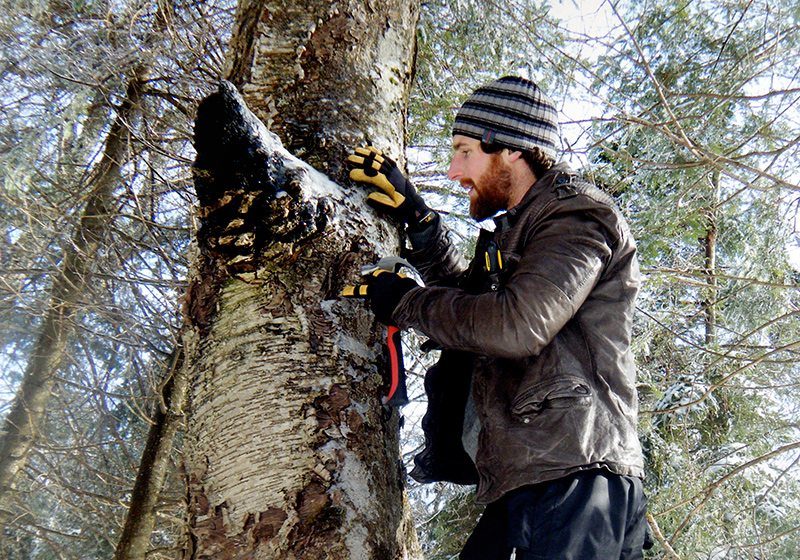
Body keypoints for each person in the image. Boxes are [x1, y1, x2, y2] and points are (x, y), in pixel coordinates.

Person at [343, 76, 651, 559]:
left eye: (464, 151)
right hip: (537, 477)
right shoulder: (519, 231)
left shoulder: (576, 217)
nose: (453, 170)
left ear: (510, 149)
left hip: (578, 476)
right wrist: (420, 224)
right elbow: (473, 308)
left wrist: (404, 301)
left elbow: (516, 324)